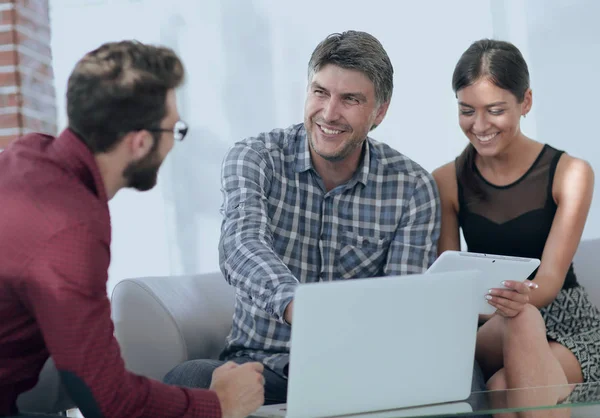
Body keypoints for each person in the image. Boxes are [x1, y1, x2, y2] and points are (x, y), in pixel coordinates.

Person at [164, 30, 488, 406]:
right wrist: (300, 307)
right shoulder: (256, 157)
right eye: (320, 92)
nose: (329, 113)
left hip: (363, 374)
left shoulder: (411, 186)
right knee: (185, 379)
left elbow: (402, 302)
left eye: (350, 99)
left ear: (379, 112)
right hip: (261, 368)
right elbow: (240, 244)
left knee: (466, 377)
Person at [0, 41, 264, 418]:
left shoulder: (28, 154)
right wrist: (219, 405)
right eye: (175, 129)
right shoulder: (70, 230)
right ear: (140, 142)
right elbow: (111, 404)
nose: (174, 141)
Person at [433, 39, 600, 416]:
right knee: (519, 317)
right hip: (489, 324)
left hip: (567, 322)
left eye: (494, 110)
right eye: (466, 111)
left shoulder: (571, 173)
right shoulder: (445, 181)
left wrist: (517, 303)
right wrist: (496, 309)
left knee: (503, 387)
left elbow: (551, 278)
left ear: (525, 102)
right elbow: (449, 282)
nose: (479, 126)